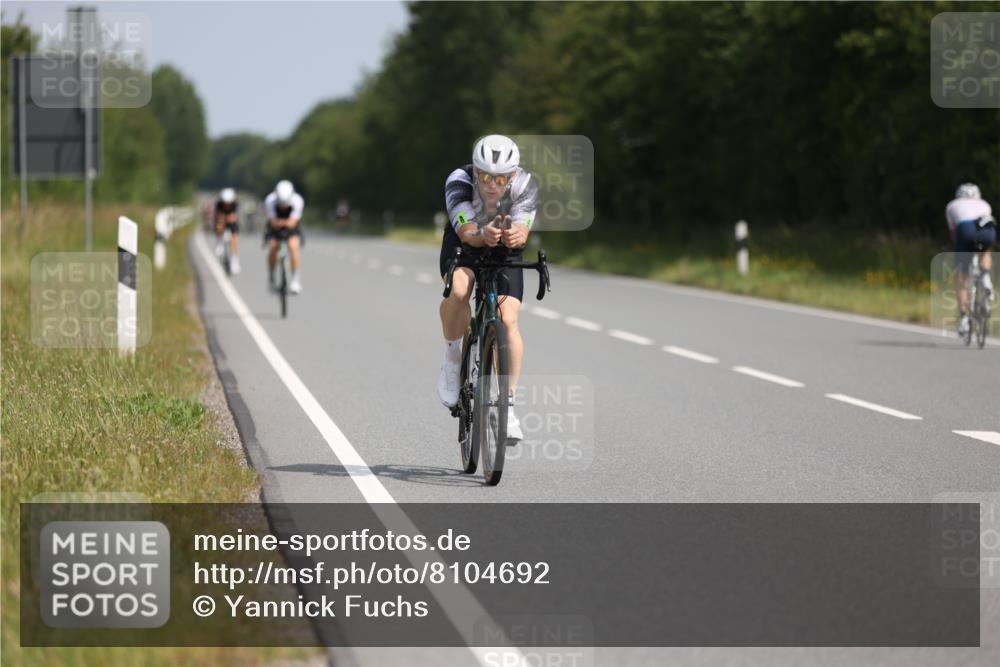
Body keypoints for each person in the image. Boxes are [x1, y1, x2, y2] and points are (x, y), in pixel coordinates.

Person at [437, 134, 538, 443]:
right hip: (466, 239)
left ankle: (507, 406)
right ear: (475, 170)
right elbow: (467, 231)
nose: (492, 184)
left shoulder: (526, 185)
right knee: (459, 290)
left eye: (501, 178)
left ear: (513, 174)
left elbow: (522, 229)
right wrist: (482, 235)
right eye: (485, 176)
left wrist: (516, 236)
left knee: (508, 318)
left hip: (502, 242)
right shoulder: (459, 180)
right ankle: (453, 358)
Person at [946, 183, 995, 337]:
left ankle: (963, 319)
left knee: (962, 277)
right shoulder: (985, 204)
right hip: (987, 229)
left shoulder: (952, 205)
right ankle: (986, 277)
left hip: (965, 229)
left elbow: (954, 232)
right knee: (986, 250)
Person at [264, 180, 305, 294]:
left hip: (291, 228)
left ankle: (296, 280)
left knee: (293, 247)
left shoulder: (297, 200)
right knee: (273, 247)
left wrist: (282, 222)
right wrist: (280, 223)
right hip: (274, 228)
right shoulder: (270, 200)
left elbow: (293, 222)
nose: (283, 207)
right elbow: (272, 222)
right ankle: (271, 276)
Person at [214, 187, 241, 274]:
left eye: (228, 203)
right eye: (225, 203)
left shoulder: (236, 204)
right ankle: (219, 242)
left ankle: (234, 260)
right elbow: (218, 216)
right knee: (219, 225)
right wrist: (223, 218)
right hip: (222, 220)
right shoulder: (219, 204)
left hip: (232, 222)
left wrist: (233, 218)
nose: (227, 205)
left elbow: (237, 216)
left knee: (235, 238)